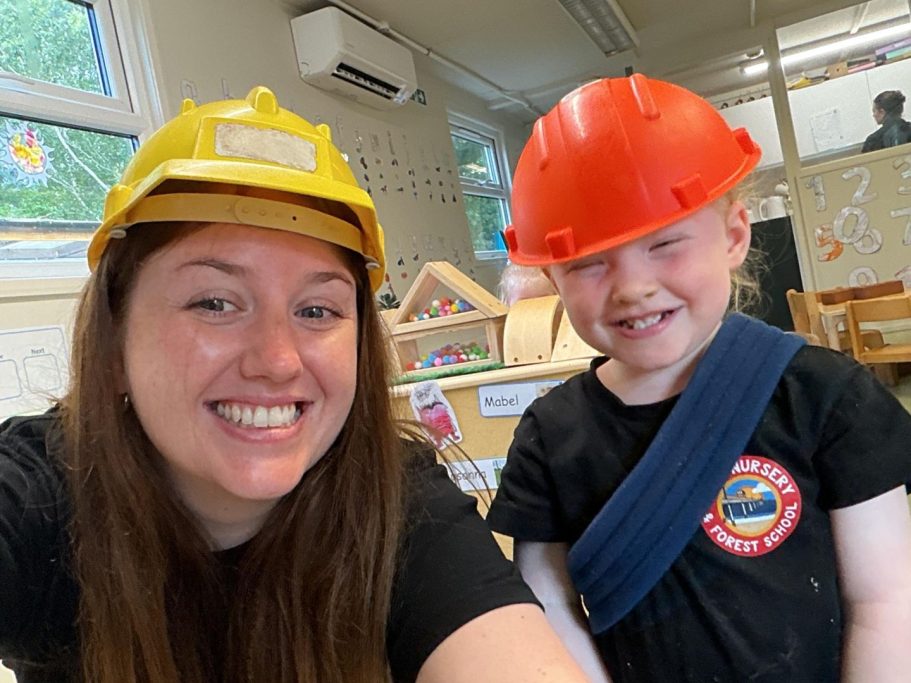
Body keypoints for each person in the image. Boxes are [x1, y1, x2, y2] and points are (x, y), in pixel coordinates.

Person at [0, 87, 590, 683]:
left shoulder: (395, 499)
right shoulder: (41, 492)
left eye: (316, 310)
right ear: (114, 344)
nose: (278, 361)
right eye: (215, 302)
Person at [487, 75, 911, 682]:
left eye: (665, 244)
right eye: (588, 264)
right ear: (552, 278)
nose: (633, 287)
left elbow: (887, 599)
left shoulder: (826, 397)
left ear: (734, 236)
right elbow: (549, 608)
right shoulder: (548, 439)